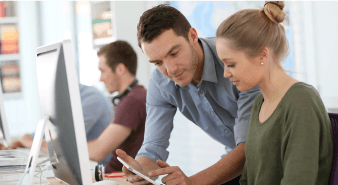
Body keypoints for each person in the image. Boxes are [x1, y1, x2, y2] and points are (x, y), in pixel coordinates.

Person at [116, 4, 261, 185]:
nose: (171, 70)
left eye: (174, 53)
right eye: (158, 62)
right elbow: (152, 148)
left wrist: (191, 182)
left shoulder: (234, 60)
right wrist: (140, 171)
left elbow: (250, 147)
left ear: (193, 36)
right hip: (238, 162)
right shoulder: (160, 83)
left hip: (277, 157)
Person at [215, 1, 333, 184]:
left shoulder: (301, 101)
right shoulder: (259, 103)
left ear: (262, 55)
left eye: (231, 64)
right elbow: (248, 179)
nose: (225, 73)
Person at [3, 84, 114, 166]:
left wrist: (30, 142)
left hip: (94, 168)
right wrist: (10, 148)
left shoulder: (93, 99)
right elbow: (35, 135)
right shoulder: (61, 100)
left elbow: (59, 144)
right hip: (71, 165)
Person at [87, 40, 147, 173]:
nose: (101, 78)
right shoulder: (135, 96)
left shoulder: (133, 101)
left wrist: (61, 149)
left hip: (117, 178)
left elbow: (98, 151)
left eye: (103, 71)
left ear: (120, 69)